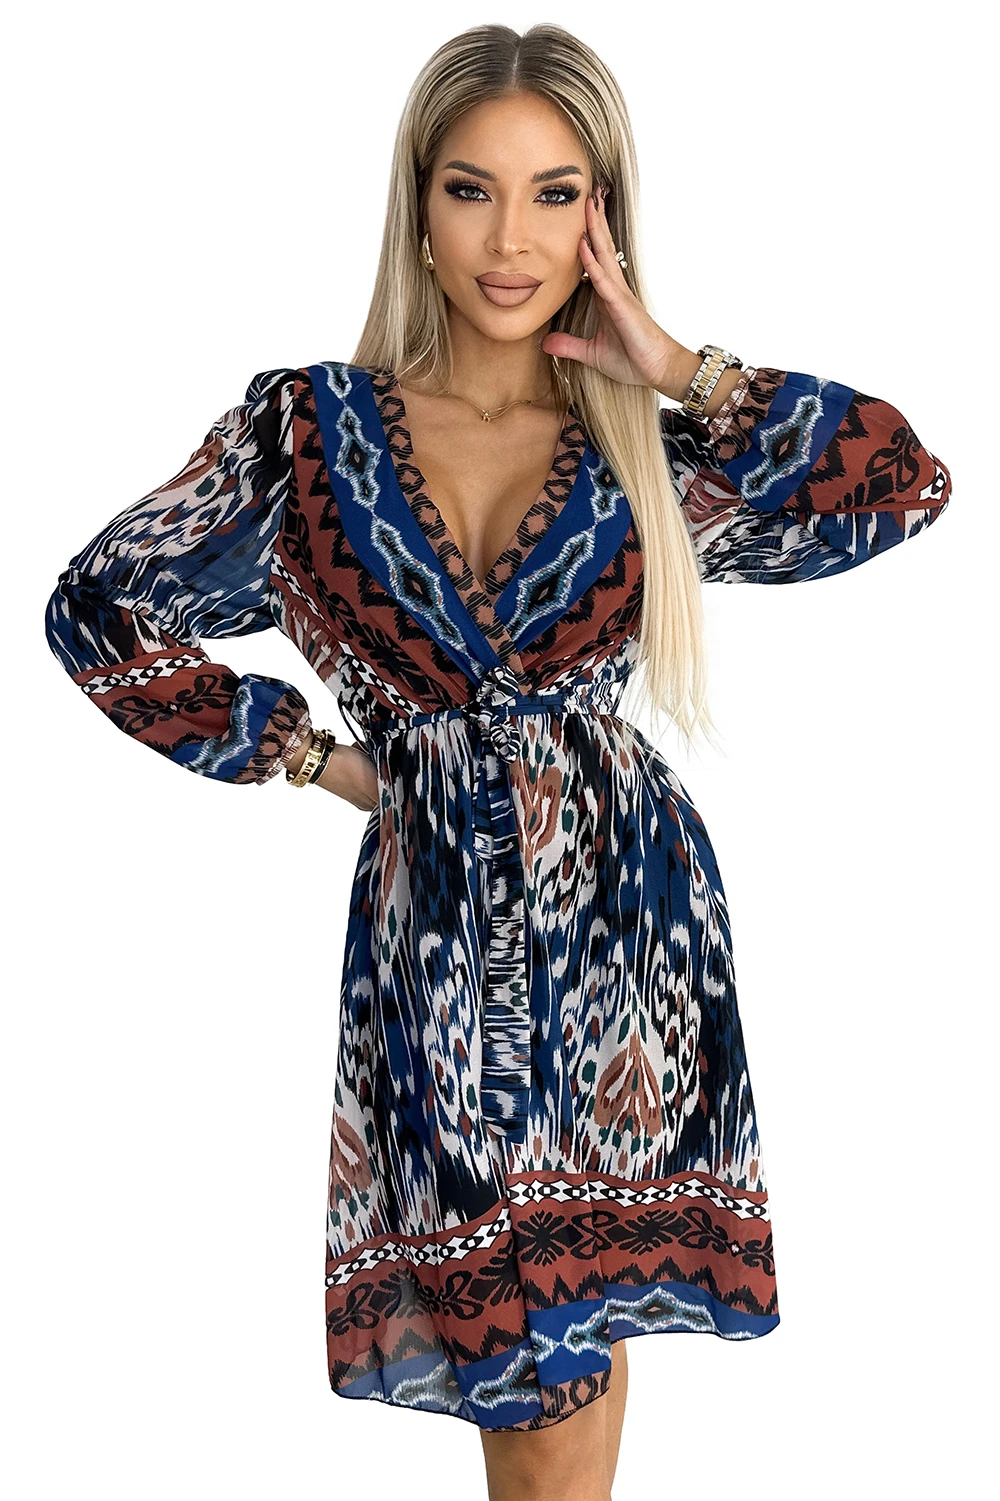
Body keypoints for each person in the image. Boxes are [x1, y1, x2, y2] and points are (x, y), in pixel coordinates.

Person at [42, 22, 952, 1501]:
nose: (511, 240)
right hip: (437, 927)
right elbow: (100, 610)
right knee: (515, 1357)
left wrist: (677, 364)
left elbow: (900, 484)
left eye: (554, 194)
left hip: (625, 928)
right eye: (473, 190)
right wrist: (320, 762)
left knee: (565, 1347)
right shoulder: (306, 437)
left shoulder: (644, 453)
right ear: (419, 205)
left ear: (603, 215)